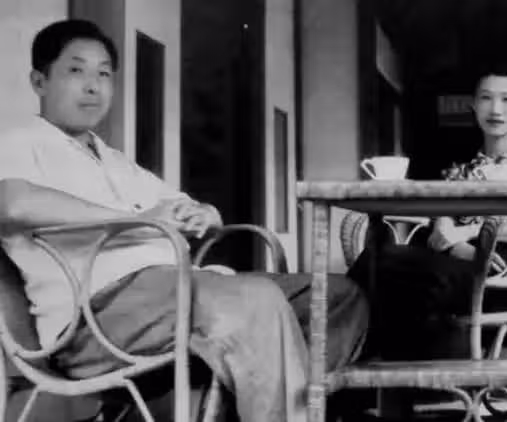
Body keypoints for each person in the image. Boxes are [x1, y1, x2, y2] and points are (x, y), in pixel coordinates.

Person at [0, 19, 368, 422]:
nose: (93, 86)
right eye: (76, 70)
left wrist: (202, 214)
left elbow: (183, 205)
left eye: (104, 74)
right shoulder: (20, 141)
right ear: (39, 81)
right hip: (96, 317)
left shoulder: (114, 160)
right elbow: (13, 204)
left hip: (175, 292)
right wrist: (136, 220)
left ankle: (256, 411)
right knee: (254, 300)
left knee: (337, 297)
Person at [348, 64, 507, 360]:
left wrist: (471, 234)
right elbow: (441, 234)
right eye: (486, 98)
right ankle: (390, 366)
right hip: (461, 264)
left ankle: (372, 365)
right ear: (473, 105)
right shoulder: (459, 171)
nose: (495, 109)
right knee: (375, 263)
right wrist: (461, 246)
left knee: (409, 281)